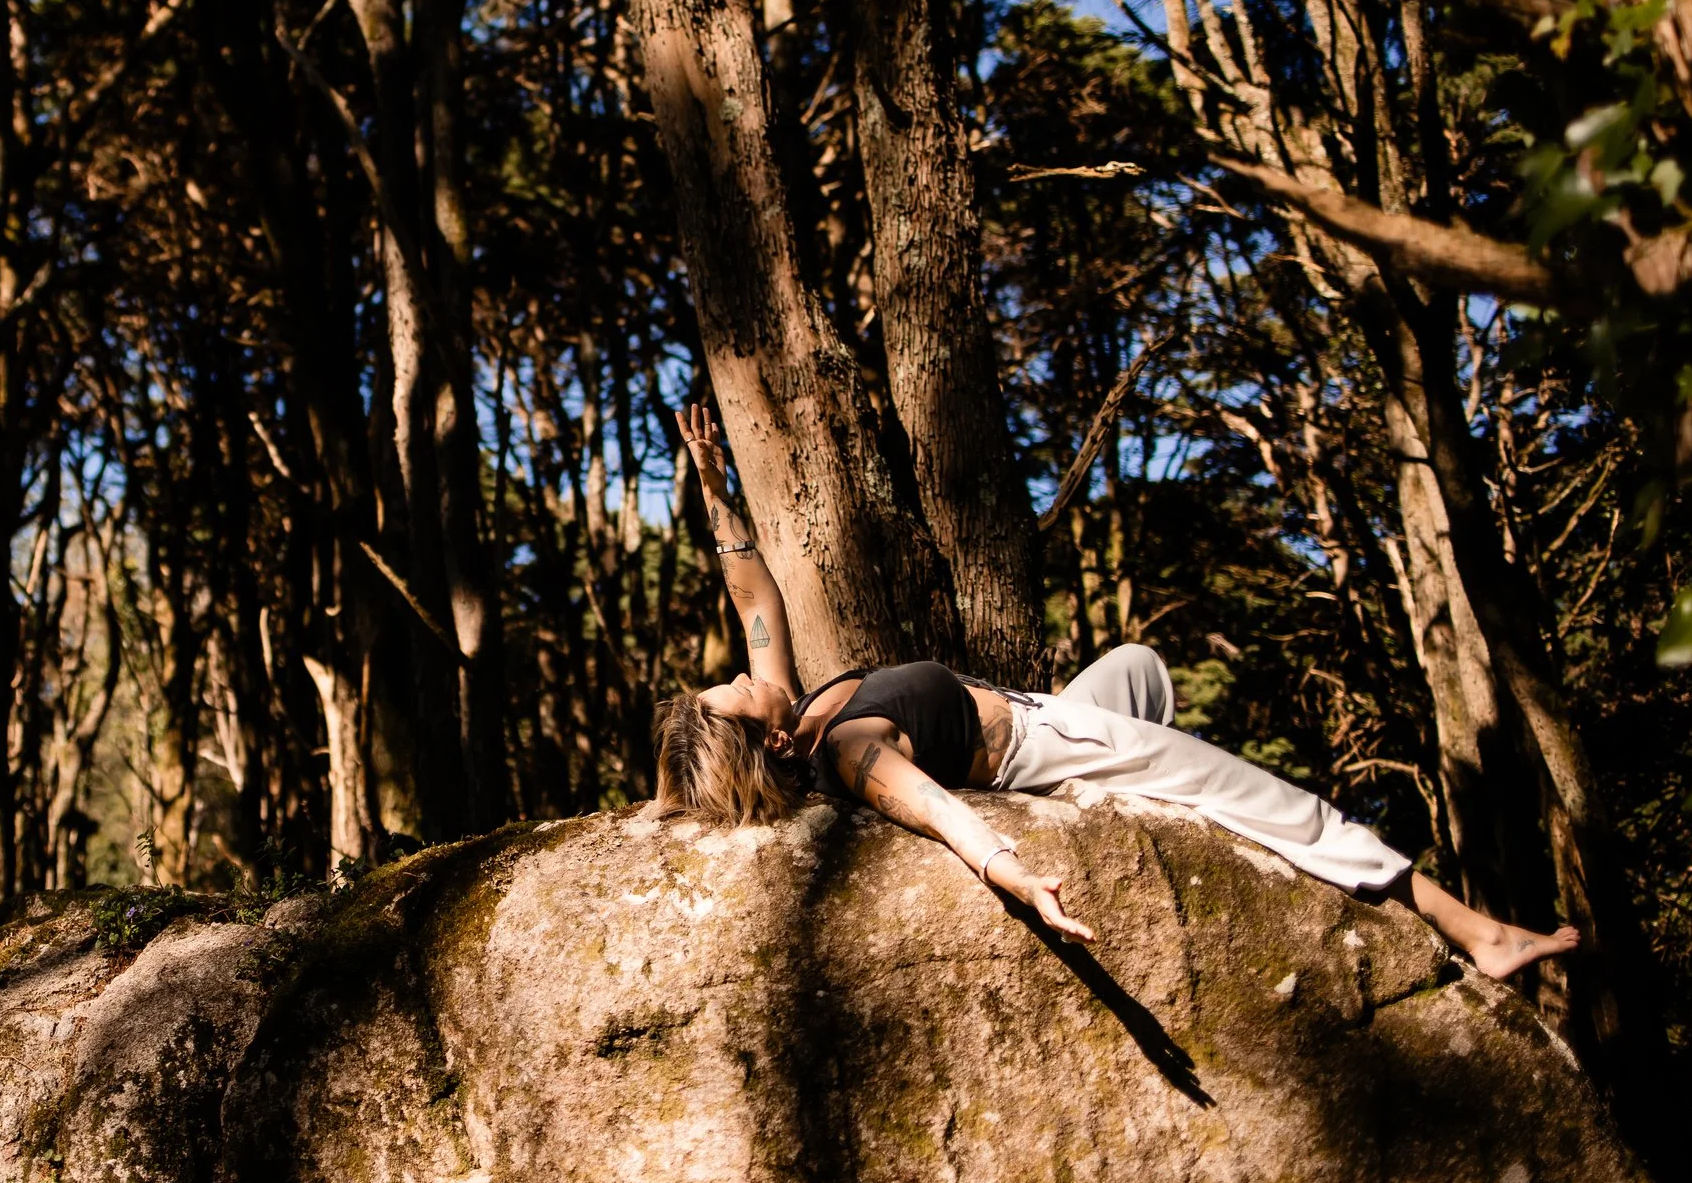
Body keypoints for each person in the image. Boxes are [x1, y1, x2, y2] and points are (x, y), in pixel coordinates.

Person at [658, 404, 1579, 980]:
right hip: (1045, 749)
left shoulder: (795, 714)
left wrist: (712, 486)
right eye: (738, 695)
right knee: (1256, 795)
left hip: (1041, 707)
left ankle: (1157, 797)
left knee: (1139, 666)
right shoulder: (850, 752)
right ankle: (1472, 931)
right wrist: (1016, 876)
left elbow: (754, 595)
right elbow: (941, 813)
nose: (746, 676)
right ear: (767, 744)